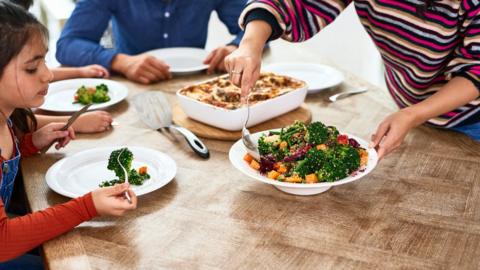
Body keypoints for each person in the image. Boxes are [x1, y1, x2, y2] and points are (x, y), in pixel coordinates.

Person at [225, 0, 480, 159]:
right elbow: (297, 4)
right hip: (414, 113)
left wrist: (412, 115)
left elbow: (476, 70)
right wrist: (250, 44)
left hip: (471, 120)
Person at [0, 1, 137, 267]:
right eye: (31, 68)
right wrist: (88, 206)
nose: (49, 75)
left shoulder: (6, 121)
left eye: (45, 62)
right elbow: (3, 241)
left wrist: (30, 144)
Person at [56, 0, 247, 85]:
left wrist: (237, 47)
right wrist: (120, 61)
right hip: (132, 88)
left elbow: (254, 24)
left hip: (199, 84)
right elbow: (67, 44)